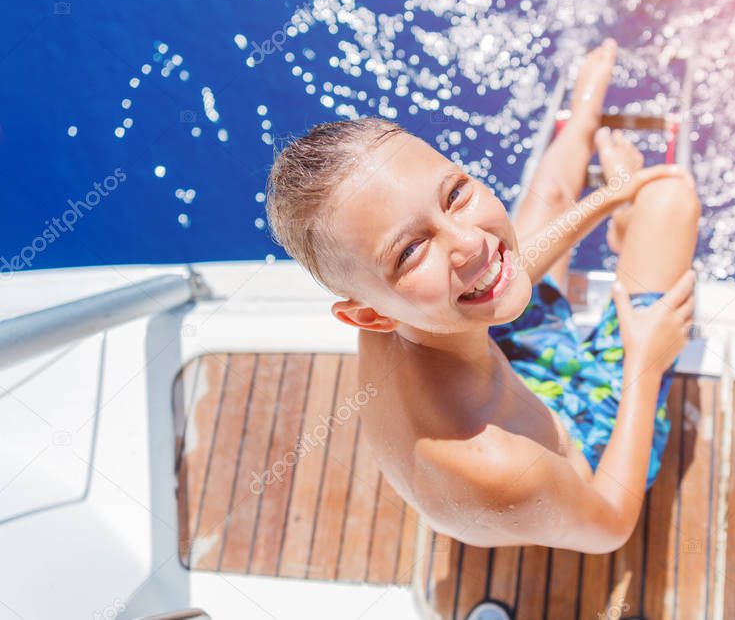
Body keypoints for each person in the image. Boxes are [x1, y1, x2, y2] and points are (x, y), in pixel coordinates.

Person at [265, 38, 700, 555]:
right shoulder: (494, 464)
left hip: (499, 363)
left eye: (454, 193)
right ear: (367, 315)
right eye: (409, 252)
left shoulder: (401, 317)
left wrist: (608, 197)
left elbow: (493, 266)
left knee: (527, 231)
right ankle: (618, 206)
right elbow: (609, 526)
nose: (468, 242)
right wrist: (645, 364)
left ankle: (585, 119)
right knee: (672, 198)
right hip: (580, 449)